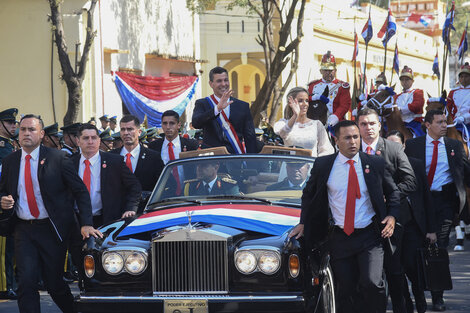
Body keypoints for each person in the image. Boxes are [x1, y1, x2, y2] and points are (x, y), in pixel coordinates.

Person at [290, 120, 400, 313]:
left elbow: (393, 193)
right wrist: (303, 223)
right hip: (340, 237)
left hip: (370, 236)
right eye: (347, 138)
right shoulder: (324, 165)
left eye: (356, 137)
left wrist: (392, 216)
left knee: (372, 283)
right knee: (346, 288)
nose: (353, 142)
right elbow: (309, 194)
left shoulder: (374, 163)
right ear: (336, 140)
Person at [0, 114, 101, 313]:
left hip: (51, 229)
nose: (26, 133)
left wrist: (86, 223)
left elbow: (80, 191)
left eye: (32, 129)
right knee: (26, 282)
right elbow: (3, 189)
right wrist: (3, 199)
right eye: (23, 129)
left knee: (54, 283)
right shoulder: (11, 161)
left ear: (42, 134)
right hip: (23, 229)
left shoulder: (57, 158)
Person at [404, 110, 470, 311]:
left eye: (445, 122)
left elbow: (465, 172)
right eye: (440, 122)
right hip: (420, 202)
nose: (444, 125)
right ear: (427, 124)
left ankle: (437, 296)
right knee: (415, 248)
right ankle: (416, 293)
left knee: (439, 248)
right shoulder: (413, 146)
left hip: (444, 202)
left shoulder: (454, 146)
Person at [357, 108, 417, 312]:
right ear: (358, 126)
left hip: (393, 220)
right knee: (368, 277)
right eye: (363, 124)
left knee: (394, 272)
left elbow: (410, 181)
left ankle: (402, 307)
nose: (368, 128)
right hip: (362, 221)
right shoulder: (351, 149)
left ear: (379, 125)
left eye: (372, 123)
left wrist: (389, 197)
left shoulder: (393, 148)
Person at [386, 130, 437, 313]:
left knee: (411, 265)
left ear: (403, 146)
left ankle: (420, 297)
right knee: (396, 268)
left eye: (396, 145)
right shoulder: (382, 166)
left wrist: (431, 229)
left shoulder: (415, 165)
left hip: (414, 225)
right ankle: (405, 302)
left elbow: (426, 198)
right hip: (393, 225)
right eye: (389, 145)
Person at [72, 123, 142, 228]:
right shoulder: (69, 163)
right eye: (86, 138)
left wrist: (130, 208)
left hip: (106, 221)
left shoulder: (114, 162)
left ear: (99, 140)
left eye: (94, 138)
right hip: (77, 222)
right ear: (78, 141)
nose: (90, 142)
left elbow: (135, 186)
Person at [192, 66, 257, 154]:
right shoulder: (203, 103)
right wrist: (217, 109)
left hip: (235, 157)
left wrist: (252, 161)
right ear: (211, 84)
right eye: (219, 81)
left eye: (226, 80)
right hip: (212, 160)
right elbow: (196, 123)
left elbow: (250, 137)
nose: (223, 84)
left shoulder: (242, 106)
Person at [273, 87, 334, 157]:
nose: (305, 104)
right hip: (289, 166)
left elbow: (326, 150)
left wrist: (316, 164)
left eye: (307, 101)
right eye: (300, 101)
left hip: (311, 166)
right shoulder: (283, 123)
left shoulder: (317, 124)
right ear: (291, 103)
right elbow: (283, 134)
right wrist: (295, 116)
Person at [110, 115, 164, 193]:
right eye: (123, 129)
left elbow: (162, 185)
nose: (126, 133)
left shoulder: (153, 157)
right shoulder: (111, 157)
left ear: (139, 132)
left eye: (130, 129)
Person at [0, 108, 18, 300]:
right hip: (3, 203)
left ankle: (10, 284)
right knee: (4, 249)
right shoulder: (2, 147)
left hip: (12, 202)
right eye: (10, 122)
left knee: (11, 248)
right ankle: (4, 286)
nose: (14, 126)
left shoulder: (10, 146)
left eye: (14, 123)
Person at [307, 51, 351, 127]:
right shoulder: (312, 85)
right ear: (321, 71)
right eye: (326, 70)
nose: (328, 73)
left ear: (335, 71)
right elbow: (306, 100)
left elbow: (344, 105)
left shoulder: (341, 86)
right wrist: (314, 97)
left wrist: (336, 116)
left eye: (331, 70)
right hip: (314, 120)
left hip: (335, 121)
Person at [394, 66, 425, 137]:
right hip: (400, 122)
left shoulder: (417, 92)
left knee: (421, 139)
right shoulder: (397, 96)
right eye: (402, 80)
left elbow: (417, 106)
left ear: (412, 81)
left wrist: (400, 110)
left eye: (407, 80)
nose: (404, 82)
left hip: (414, 122)